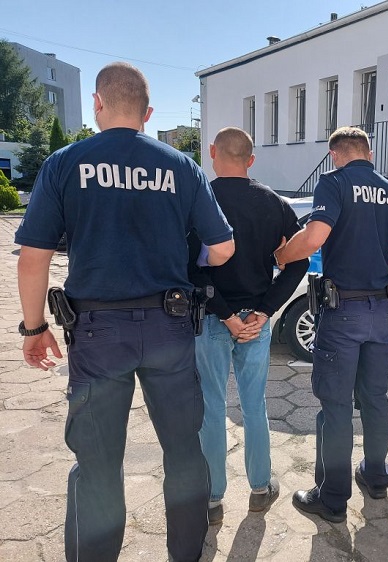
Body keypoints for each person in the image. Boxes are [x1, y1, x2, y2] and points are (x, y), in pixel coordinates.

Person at [15, 62, 235, 562]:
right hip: (170, 328)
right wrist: (180, 259)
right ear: (148, 113)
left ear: (97, 104)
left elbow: (33, 257)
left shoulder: (66, 163)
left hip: (98, 335)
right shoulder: (181, 166)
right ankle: (186, 554)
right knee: (184, 450)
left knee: (97, 462)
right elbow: (223, 248)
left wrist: (34, 327)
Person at [273, 126, 388, 522]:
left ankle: (332, 498)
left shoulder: (333, 183)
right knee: (375, 398)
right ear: (369, 153)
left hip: (343, 311)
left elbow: (314, 237)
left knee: (335, 406)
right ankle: (376, 477)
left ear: (335, 154)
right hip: (381, 311)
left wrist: (282, 256)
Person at [187, 127, 309, 525]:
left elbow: (188, 269)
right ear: (251, 159)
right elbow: (300, 260)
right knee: (254, 405)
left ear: (212, 153)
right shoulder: (274, 202)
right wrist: (266, 310)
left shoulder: (198, 199)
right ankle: (260, 488)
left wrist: (224, 314)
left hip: (212, 318)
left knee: (211, 406)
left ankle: (212, 498)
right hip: (255, 321)